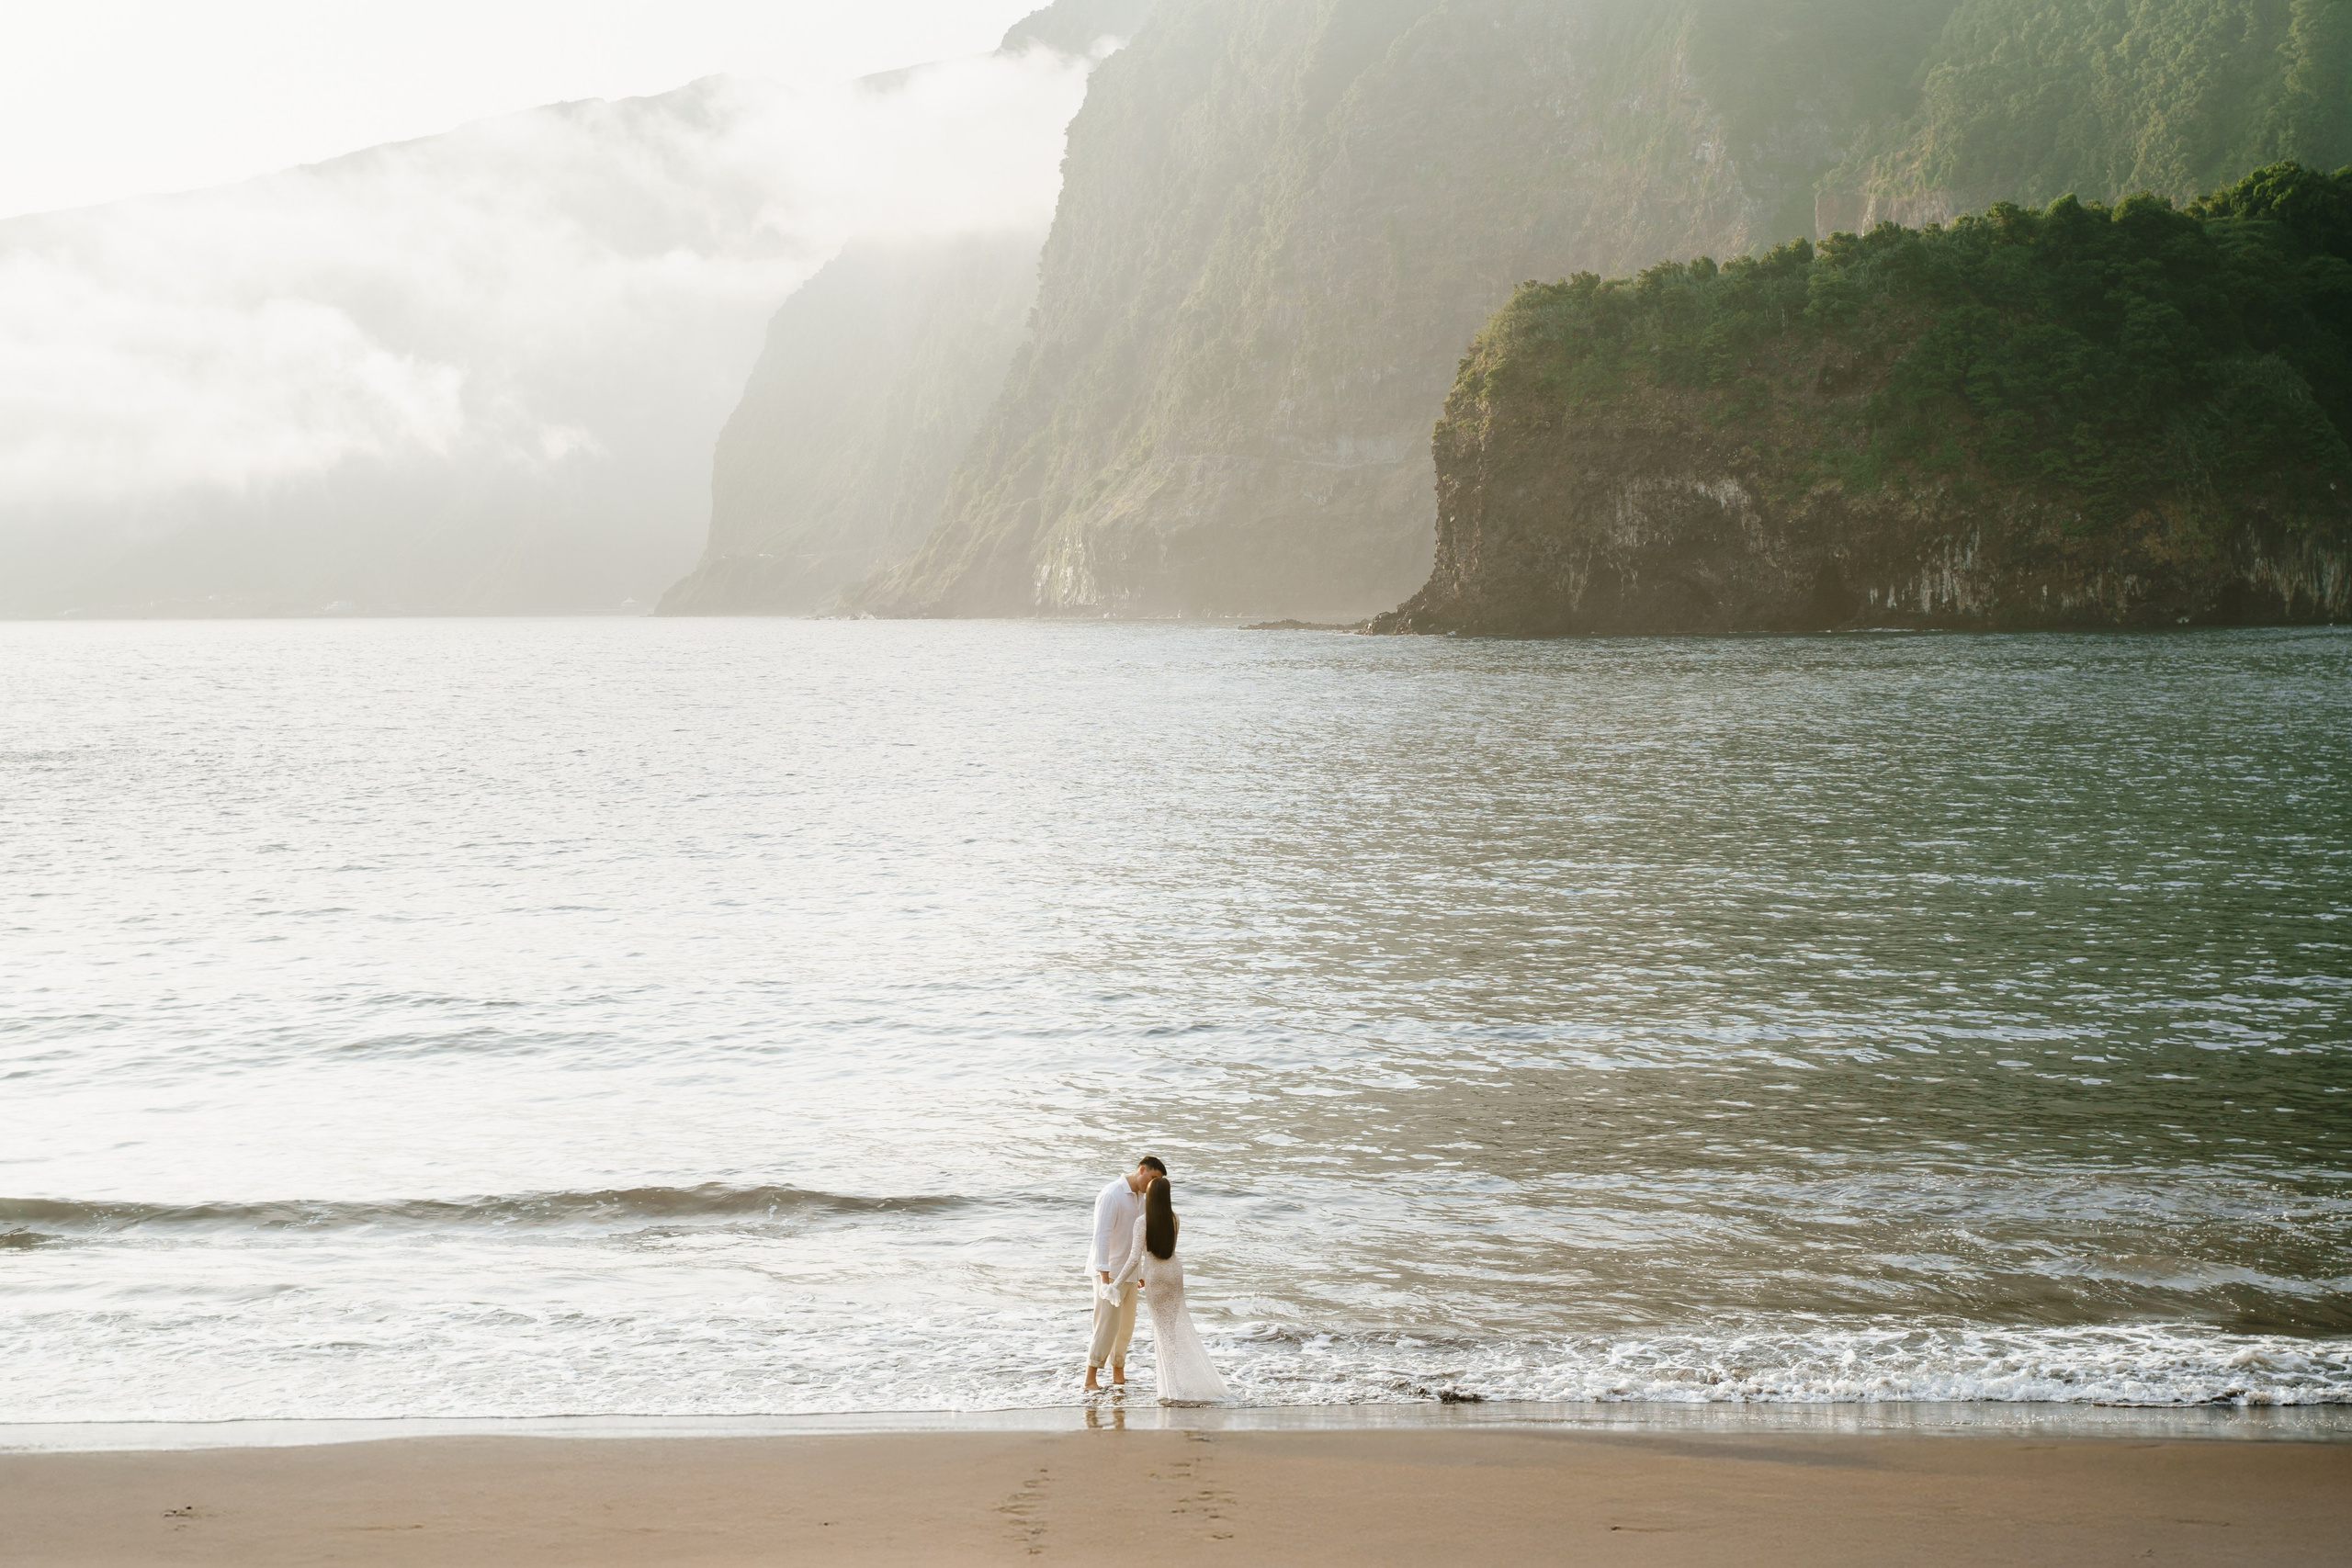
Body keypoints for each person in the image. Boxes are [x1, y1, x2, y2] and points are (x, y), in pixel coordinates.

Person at [1103, 1173, 1229, 1404]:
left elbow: (1134, 1259)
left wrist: (1115, 1284)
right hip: (1174, 1274)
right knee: (1171, 1331)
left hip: (1157, 1278)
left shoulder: (1141, 1222)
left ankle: (1171, 1389)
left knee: (1162, 1333)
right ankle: (1177, 1384)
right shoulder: (1174, 1218)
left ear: (1150, 1196)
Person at [1085, 1156, 1163, 1390]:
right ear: (1142, 1170)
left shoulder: (1142, 1198)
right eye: (1153, 1178)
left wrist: (1140, 1272)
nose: (1153, 1185)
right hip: (1109, 1275)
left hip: (1129, 1272)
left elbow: (1137, 1239)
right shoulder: (1112, 1194)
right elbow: (1101, 1237)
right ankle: (1089, 1379)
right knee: (1106, 1326)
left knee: (1126, 1327)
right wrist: (1105, 1280)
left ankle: (1118, 1374)